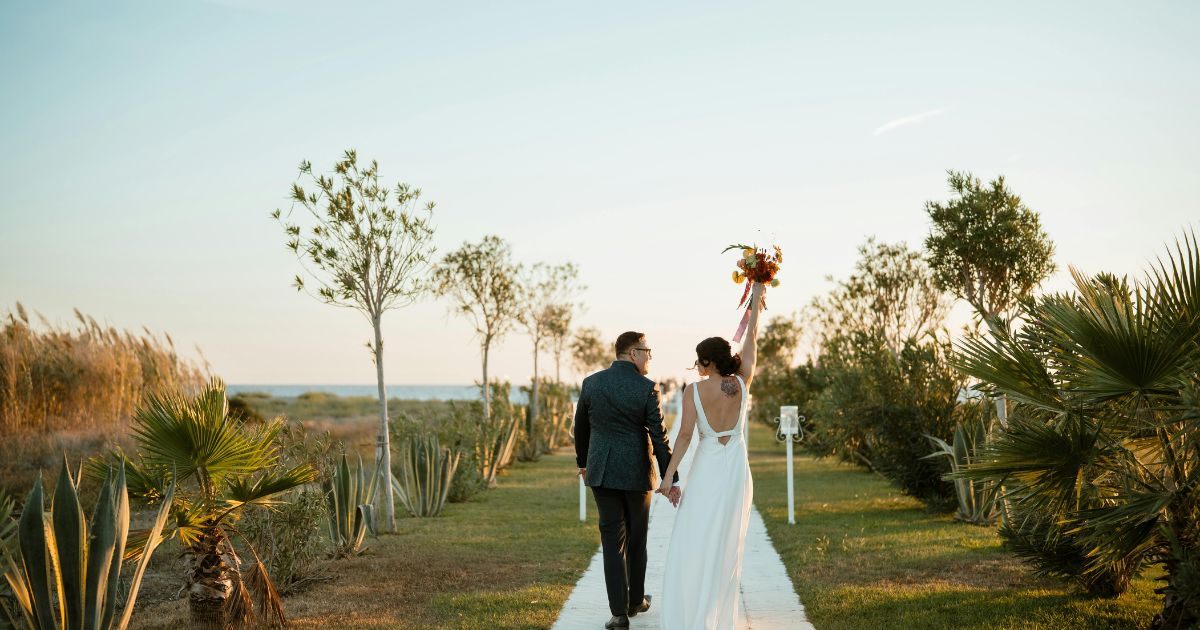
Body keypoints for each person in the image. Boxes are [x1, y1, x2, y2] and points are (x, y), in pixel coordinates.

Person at [657, 281, 764, 629]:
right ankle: (718, 617)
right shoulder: (742, 382)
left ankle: (692, 613)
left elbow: (686, 436)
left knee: (695, 538)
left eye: (699, 362)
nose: (697, 367)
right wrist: (758, 294)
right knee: (726, 543)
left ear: (707, 361)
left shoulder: (695, 390)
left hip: (706, 471)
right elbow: (752, 341)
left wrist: (668, 478)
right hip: (735, 470)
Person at [574, 331, 679, 629]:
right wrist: (670, 476)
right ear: (633, 353)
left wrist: (583, 463)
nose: (649, 357)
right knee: (637, 538)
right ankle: (635, 601)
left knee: (611, 541)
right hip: (637, 473)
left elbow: (580, 428)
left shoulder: (592, 383)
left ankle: (619, 613)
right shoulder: (646, 387)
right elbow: (659, 437)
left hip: (602, 473)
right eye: (647, 351)